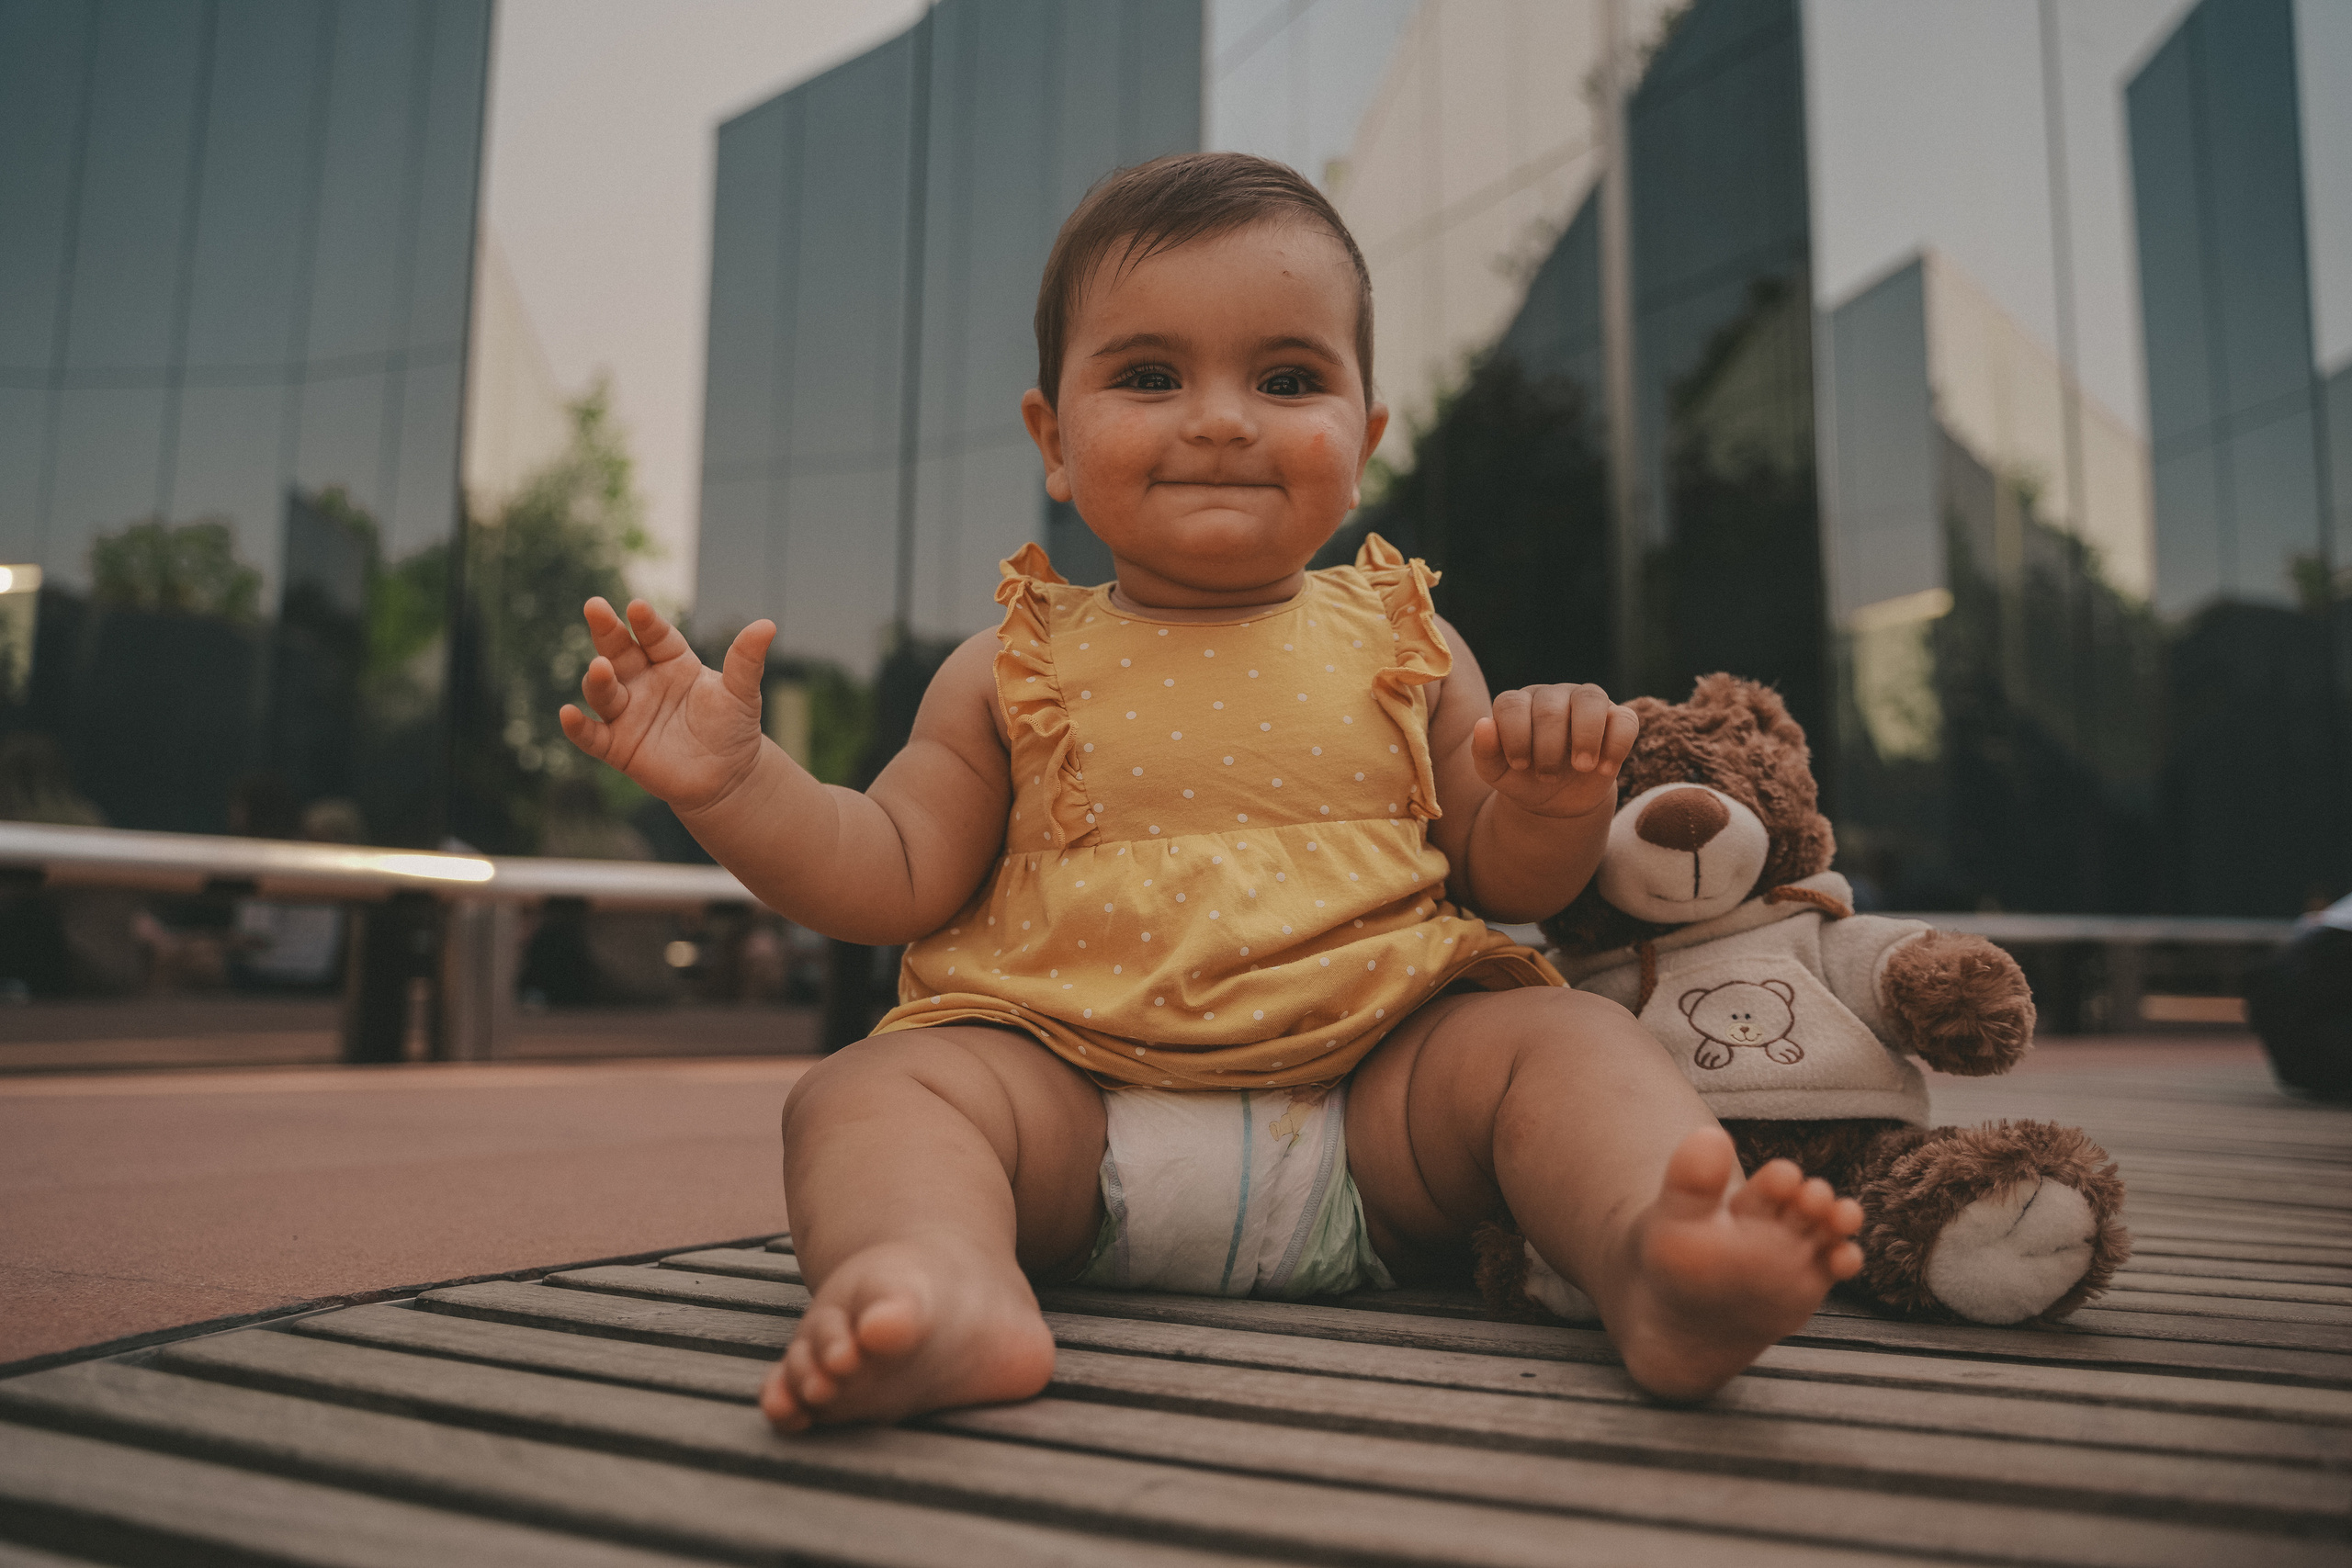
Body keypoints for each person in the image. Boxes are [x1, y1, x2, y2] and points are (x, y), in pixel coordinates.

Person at [560, 152, 1862, 1429]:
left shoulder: (1410, 640)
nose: (1223, 419)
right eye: (1149, 376)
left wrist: (1554, 798)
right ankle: (944, 1281)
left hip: (1380, 1116)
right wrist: (738, 784)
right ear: (1053, 438)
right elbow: (887, 872)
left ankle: (1654, 1259)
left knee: (1563, 1043)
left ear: (1366, 437)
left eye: (1287, 379)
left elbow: (1503, 878)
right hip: (1065, 1115)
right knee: (867, 1097)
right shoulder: (1005, 667)